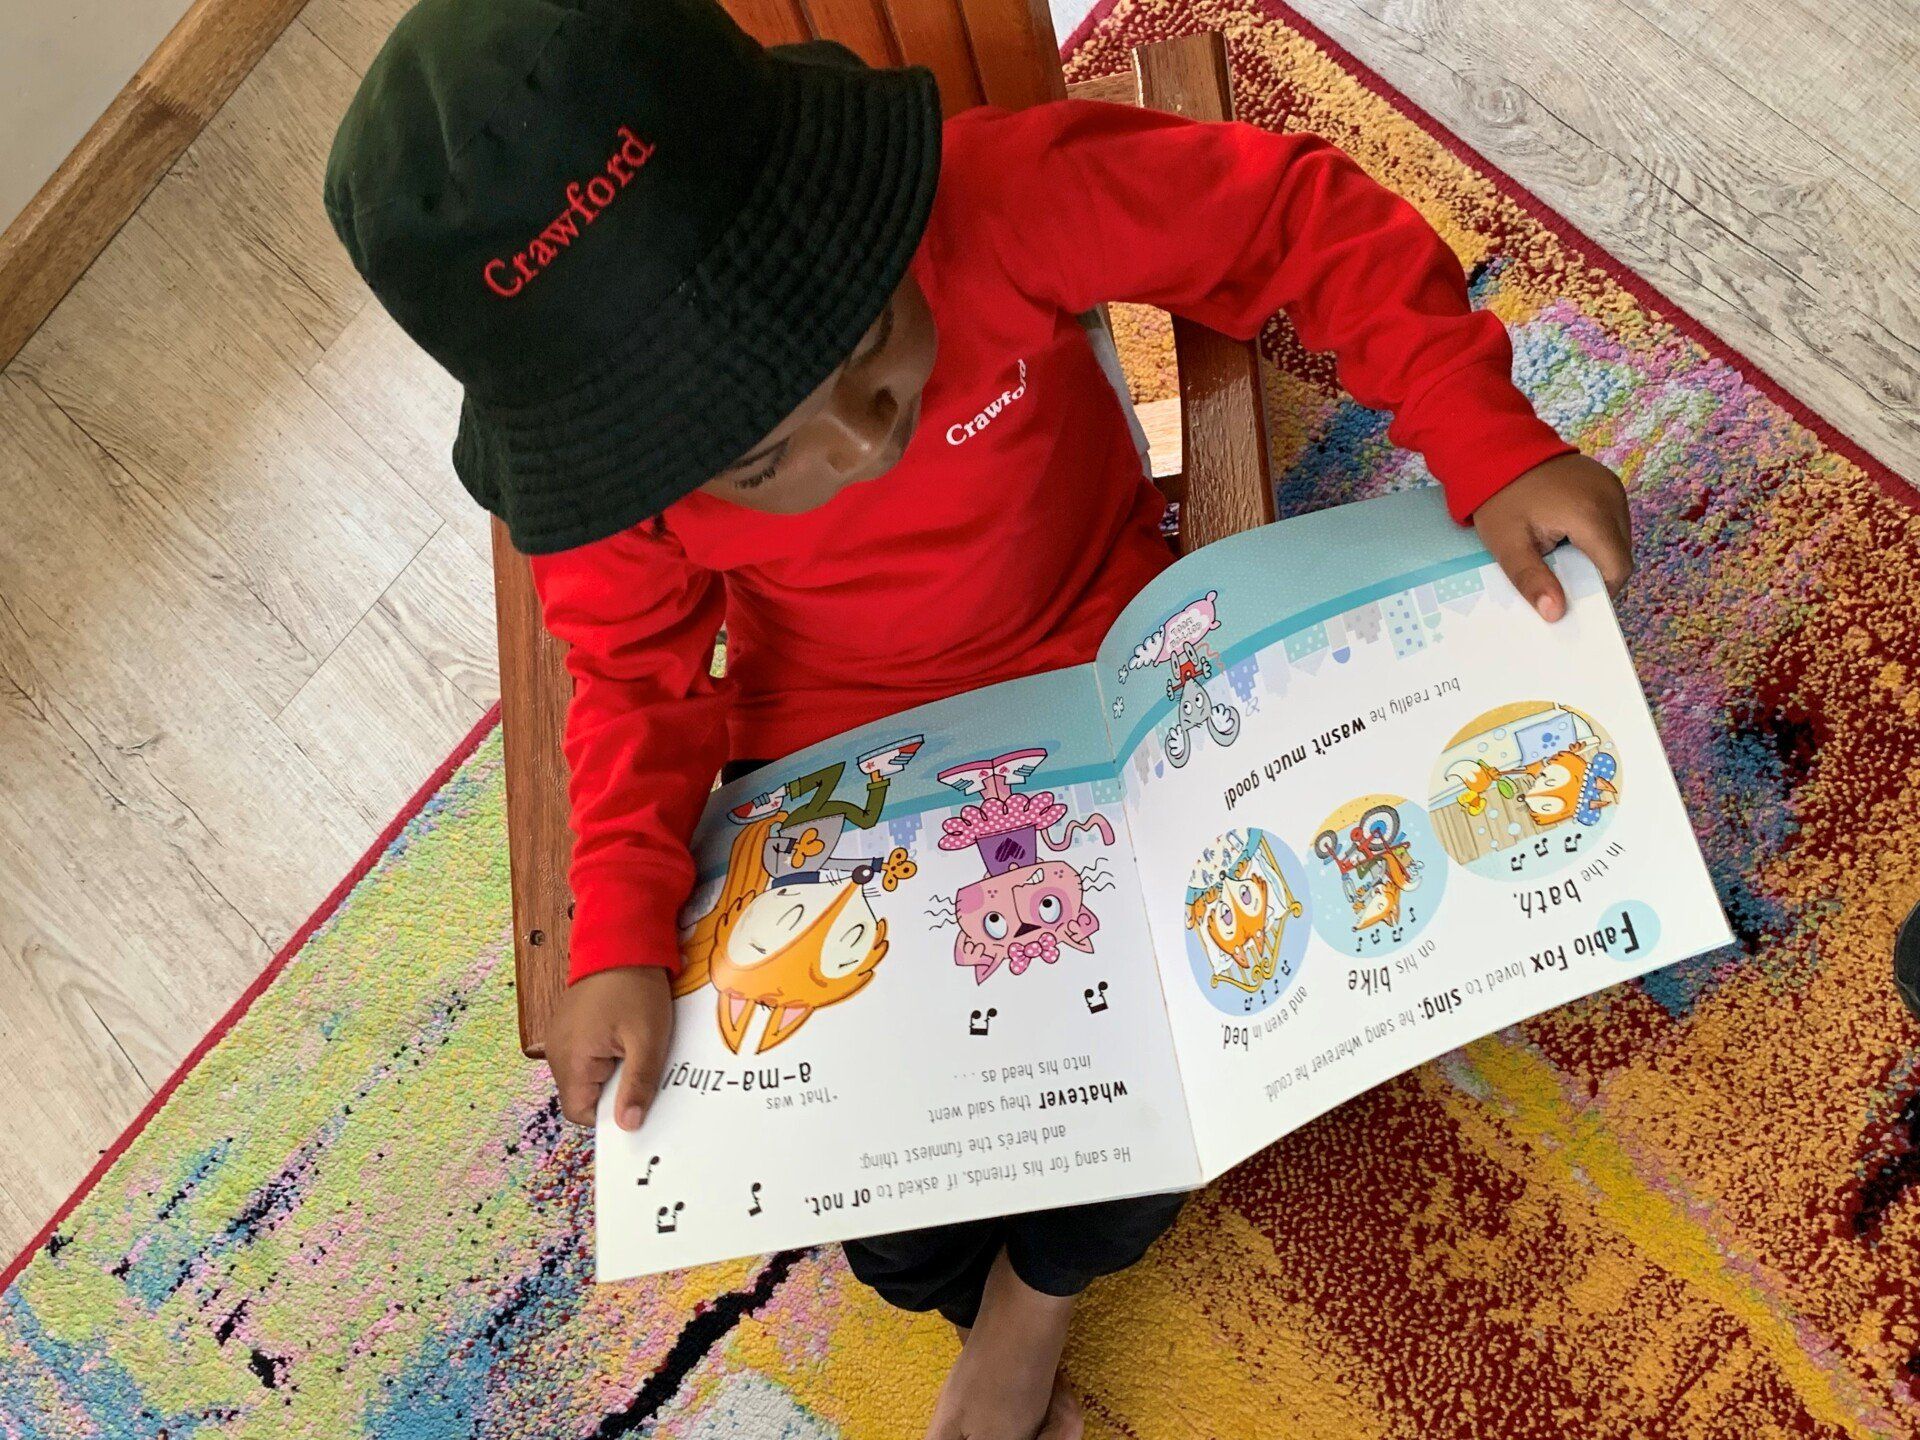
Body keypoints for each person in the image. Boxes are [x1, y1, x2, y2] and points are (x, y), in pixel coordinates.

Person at [324, 0, 1633, 1433]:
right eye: (766, 458)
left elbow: (1292, 222)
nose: (861, 434)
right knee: (880, 1214)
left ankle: (1028, 1315)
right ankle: (989, 1295)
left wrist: (1486, 436)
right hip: (836, 766)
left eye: (869, 333)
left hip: (1112, 662)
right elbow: (635, 685)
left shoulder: (997, 195)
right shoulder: (615, 494)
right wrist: (624, 924)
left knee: (1186, 1043)